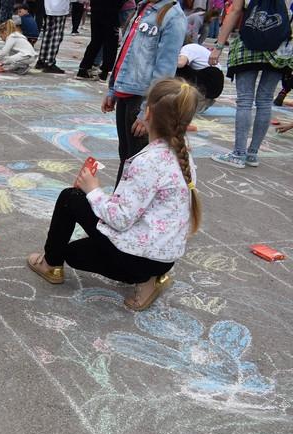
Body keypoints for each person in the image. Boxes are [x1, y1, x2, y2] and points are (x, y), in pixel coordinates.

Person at [27, 78, 202, 311]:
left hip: (135, 262)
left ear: (147, 113)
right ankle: (151, 281)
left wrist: (93, 190)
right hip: (165, 260)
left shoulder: (148, 161)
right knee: (90, 221)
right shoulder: (184, 157)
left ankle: (51, 264)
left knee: (71, 204)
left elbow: (120, 219)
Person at [102, 0, 186, 186]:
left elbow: (165, 70)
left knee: (137, 163)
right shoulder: (142, 7)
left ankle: (126, 208)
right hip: (126, 92)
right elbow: (125, 53)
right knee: (126, 157)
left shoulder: (173, 16)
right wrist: (113, 89)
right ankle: (119, 206)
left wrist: (148, 110)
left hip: (142, 99)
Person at [208, 0, 293, 169]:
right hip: (279, 47)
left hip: (248, 43)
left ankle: (238, 154)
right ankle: (252, 154)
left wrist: (218, 46)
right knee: (265, 100)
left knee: (245, 100)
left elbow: (235, 11)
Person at [75, 0, 120, 81]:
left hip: (97, 10)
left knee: (95, 41)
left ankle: (83, 69)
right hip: (111, 12)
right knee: (110, 44)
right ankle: (104, 72)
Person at [176, 42, 224, 111]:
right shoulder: (197, 47)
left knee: (178, 68)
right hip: (215, 84)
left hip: (209, 82)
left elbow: (180, 63)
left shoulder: (187, 48)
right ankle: (204, 100)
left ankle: (195, 98)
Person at [35, 0, 70, 74]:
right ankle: (49, 62)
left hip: (49, 6)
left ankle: (42, 60)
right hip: (59, 8)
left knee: (48, 34)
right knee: (56, 36)